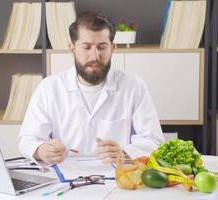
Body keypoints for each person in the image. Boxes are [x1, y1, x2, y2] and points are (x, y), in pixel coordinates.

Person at [18, 10, 165, 165]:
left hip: (117, 179)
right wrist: (40, 150)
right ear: (72, 49)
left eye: (102, 47)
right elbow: (27, 139)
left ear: (113, 48)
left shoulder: (134, 86)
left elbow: (154, 140)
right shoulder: (49, 87)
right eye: (86, 47)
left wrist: (125, 153)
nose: (94, 56)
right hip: (64, 179)